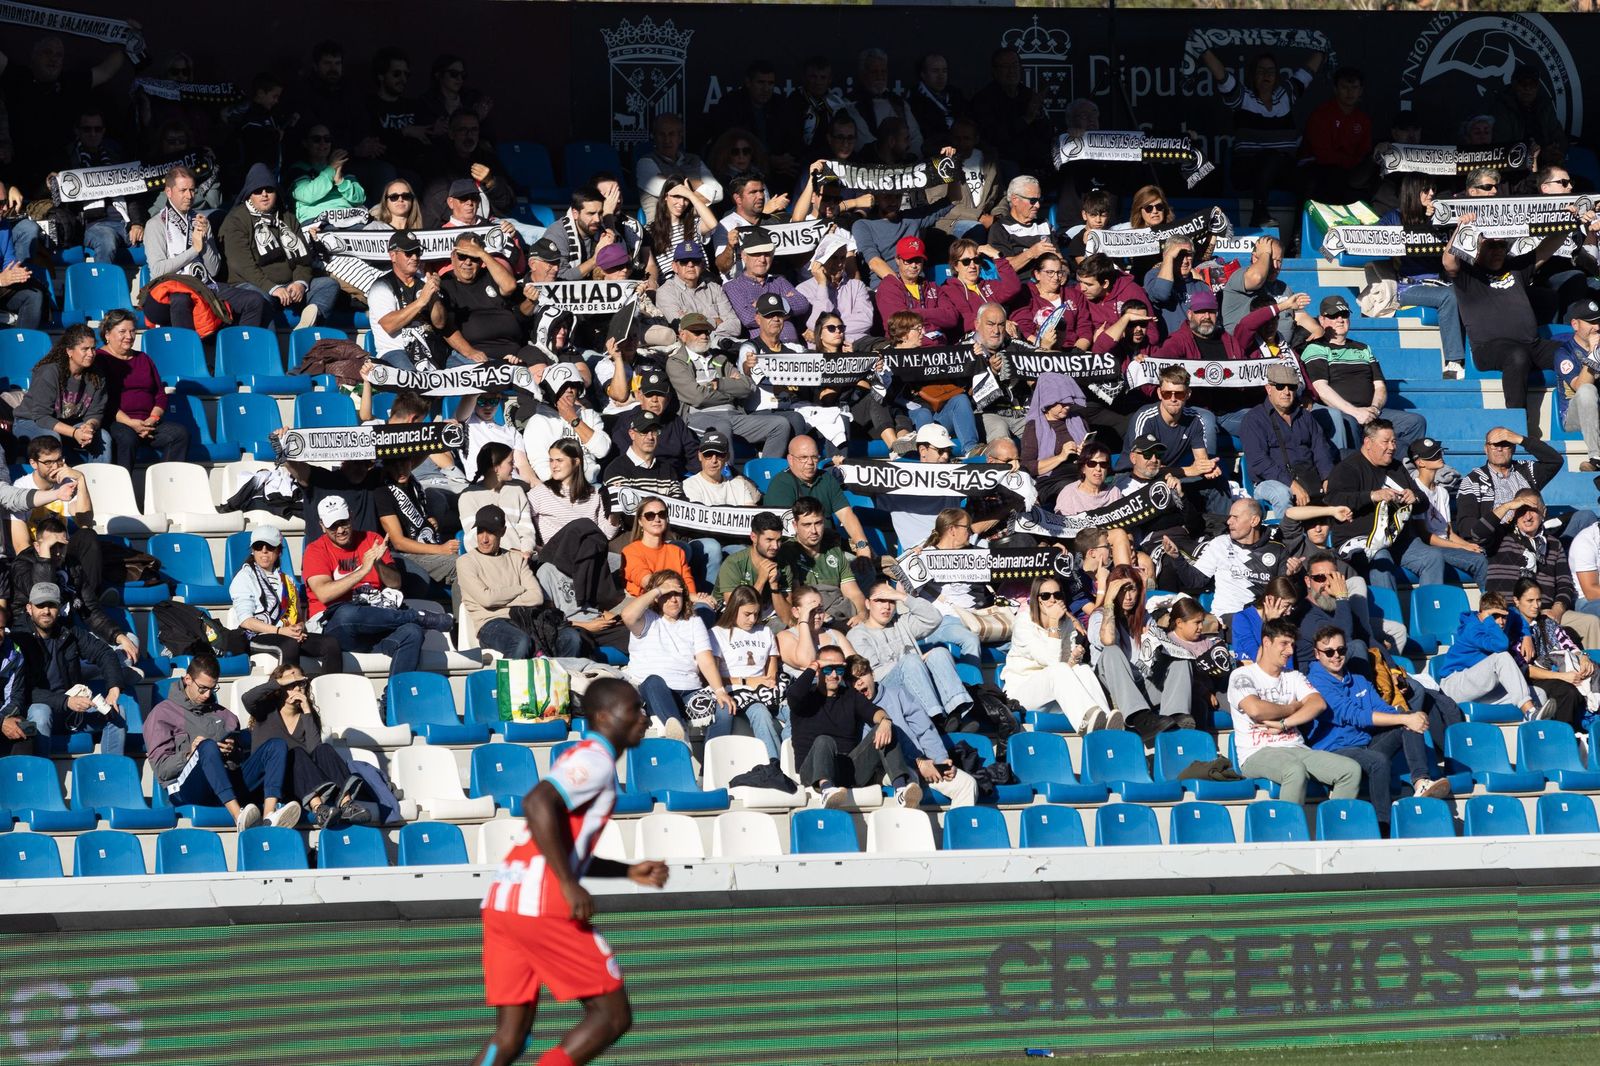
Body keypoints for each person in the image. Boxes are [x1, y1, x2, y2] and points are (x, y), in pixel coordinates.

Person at [475, 677, 667, 1066]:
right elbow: (537, 802)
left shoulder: (587, 757)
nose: (643, 718)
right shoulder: (594, 760)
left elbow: (560, 841)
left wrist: (626, 871)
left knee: (510, 1037)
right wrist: (567, 883)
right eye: (633, 709)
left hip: (504, 901)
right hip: (542, 902)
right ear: (602, 716)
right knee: (612, 1016)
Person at [1304, 624, 1450, 835]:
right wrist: (1405, 718)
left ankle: (1421, 782)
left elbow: (1384, 709)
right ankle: (1384, 827)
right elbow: (1354, 715)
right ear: (1317, 654)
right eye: (1329, 652)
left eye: (1341, 650)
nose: (1336, 656)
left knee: (1408, 720)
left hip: (1364, 743)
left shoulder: (1359, 680)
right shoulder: (1316, 682)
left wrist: (1409, 717)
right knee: (1379, 761)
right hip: (1334, 750)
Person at [144, 654, 302, 833]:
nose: (208, 695)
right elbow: (162, 770)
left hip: (225, 782)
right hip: (186, 789)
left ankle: (269, 816)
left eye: (213, 688)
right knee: (207, 747)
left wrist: (233, 751)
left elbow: (240, 759)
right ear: (188, 679)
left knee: (276, 745)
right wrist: (191, 753)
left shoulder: (226, 715)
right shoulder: (162, 713)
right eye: (202, 688)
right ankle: (238, 816)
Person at [1442, 224, 1569, 438]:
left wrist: (1568, 222)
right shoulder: (1468, 272)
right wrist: (1462, 227)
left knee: (1575, 351)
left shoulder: (1515, 267)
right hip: (1489, 349)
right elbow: (1449, 262)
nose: (1498, 250)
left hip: (1532, 344)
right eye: (1491, 245)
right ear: (1478, 248)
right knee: (1517, 355)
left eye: (1502, 245)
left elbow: (1548, 247)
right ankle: (1517, 423)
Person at [304, 496, 450, 678]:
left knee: (412, 632)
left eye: (344, 522)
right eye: (333, 526)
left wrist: (378, 563)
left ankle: (393, 698)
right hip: (337, 629)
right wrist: (363, 570)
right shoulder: (315, 550)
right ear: (322, 526)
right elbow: (324, 594)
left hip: (376, 625)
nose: (340, 530)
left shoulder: (371, 539)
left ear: (351, 516)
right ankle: (415, 616)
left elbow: (395, 583)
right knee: (347, 612)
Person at [1227, 619, 1362, 804]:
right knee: (1294, 770)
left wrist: (1284, 723)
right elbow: (1255, 709)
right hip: (1256, 752)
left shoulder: (1293, 676)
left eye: (1292, 644)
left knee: (1351, 770)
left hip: (1296, 748)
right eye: (1284, 643)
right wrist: (1292, 707)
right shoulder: (1242, 675)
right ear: (1267, 642)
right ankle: (1291, 831)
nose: (1290, 651)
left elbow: (1317, 704)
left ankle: (1335, 827)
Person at [1198, 47, 1323, 226]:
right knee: (1271, 157)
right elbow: (1222, 76)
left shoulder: (1285, 96)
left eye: (1271, 71)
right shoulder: (1243, 98)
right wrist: (1203, 49)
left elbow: (1307, 72)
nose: (1266, 75)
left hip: (1280, 170)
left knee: (1309, 179)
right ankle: (1259, 215)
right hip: (1248, 171)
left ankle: (1298, 238)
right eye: (1261, 70)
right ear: (1252, 75)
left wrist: (1322, 50)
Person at [143, 164, 272, 331]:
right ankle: (189, 353)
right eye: (183, 190)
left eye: (192, 190)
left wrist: (205, 244)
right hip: (170, 289)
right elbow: (159, 271)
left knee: (255, 301)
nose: (189, 196)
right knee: (181, 300)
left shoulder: (201, 220)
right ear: (169, 192)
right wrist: (194, 250)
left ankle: (238, 350)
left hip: (204, 285)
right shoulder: (156, 224)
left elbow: (212, 270)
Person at [790, 645, 920, 808]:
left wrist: (885, 722)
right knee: (824, 740)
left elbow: (875, 712)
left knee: (886, 728)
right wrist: (815, 665)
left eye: (838, 670)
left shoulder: (850, 696)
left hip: (849, 770)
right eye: (827, 669)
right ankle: (826, 790)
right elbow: (793, 694)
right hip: (813, 771)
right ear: (818, 670)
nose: (833, 675)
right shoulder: (804, 698)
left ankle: (901, 790)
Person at [13, 582, 128, 757]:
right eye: (40, 605)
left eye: (51, 605)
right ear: (29, 608)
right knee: (40, 713)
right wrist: (66, 701)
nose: (46, 611)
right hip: (34, 715)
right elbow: (23, 691)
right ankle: (42, 777)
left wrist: (113, 690)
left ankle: (111, 773)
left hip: (71, 712)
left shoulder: (69, 631)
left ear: (59, 608)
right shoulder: (19, 638)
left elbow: (104, 653)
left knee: (116, 714)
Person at [244, 662, 365, 828]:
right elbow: (247, 698)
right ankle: (318, 809)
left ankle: (346, 805)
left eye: (299, 683)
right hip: (270, 784)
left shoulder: (307, 717)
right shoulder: (265, 710)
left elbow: (315, 751)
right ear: (279, 687)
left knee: (324, 748)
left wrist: (307, 711)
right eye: (290, 684)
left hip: (298, 784)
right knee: (296, 753)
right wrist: (279, 681)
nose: (296, 689)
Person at [848, 654, 978, 807]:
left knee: (967, 784)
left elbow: (925, 729)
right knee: (911, 785)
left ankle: (957, 830)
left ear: (872, 674)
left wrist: (940, 760)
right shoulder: (850, 709)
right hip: (888, 770)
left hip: (923, 762)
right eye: (853, 680)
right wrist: (919, 766)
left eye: (863, 674)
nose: (860, 682)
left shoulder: (897, 693)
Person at [220, 163, 338, 330]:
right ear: (248, 195)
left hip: (289, 286)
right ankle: (271, 351)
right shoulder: (236, 220)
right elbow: (242, 265)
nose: (264, 195)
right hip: (253, 285)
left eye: (269, 190)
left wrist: (300, 282)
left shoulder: (287, 218)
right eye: (258, 191)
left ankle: (307, 328)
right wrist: (272, 288)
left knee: (328, 285)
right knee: (257, 300)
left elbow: (303, 259)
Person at [1303, 295, 1426, 454]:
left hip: (1371, 412)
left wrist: (1374, 409)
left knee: (1415, 422)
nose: (1340, 319)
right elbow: (1321, 388)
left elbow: (1380, 385)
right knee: (1348, 423)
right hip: (1343, 412)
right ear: (1322, 320)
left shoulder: (1363, 348)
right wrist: (1355, 412)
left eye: (1344, 315)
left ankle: (1393, 469)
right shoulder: (1316, 349)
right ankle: (1360, 472)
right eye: (1333, 316)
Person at [664, 312, 795, 458]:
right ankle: (728, 476)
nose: (704, 336)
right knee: (722, 427)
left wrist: (718, 384)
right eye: (697, 332)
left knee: (780, 424)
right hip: (699, 416)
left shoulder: (720, 358)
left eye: (706, 331)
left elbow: (747, 387)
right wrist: (731, 391)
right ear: (682, 335)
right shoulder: (676, 361)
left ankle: (767, 473)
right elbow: (697, 398)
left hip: (734, 415)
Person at [459, 504, 581, 661]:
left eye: (491, 532)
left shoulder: (516, 559)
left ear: (502, 531)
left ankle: (558, 681)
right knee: (521, 641)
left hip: (526, 620)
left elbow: (536, 597)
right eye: (480, 531)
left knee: (572, 638)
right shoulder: (466, 562)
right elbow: (486, 599)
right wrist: (518, 589)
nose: (484, 538)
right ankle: (511, 685)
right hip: (491, 623)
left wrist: (497, 597)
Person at [1088, 565, 1198, 737]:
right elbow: (1108, 640)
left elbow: (1157, 659)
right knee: (1111, 651)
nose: (1129, 596)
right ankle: (1139, 718)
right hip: (1113, 692)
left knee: (1179, 658)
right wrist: (1108, 600)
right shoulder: (1098, 616)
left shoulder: (1144, 617)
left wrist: (1155, 643)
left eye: (1133, 589)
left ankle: (1175, 716)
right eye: (1122, 590)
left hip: (1141, 685)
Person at [622, 570, 729, 741]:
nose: (673, 599)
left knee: (724, 707)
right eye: (667, 594)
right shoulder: (646, 619)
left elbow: (705, 660)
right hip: (655, 693)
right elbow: (627, 615)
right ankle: (681, 739)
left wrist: (720, 690)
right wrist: (658, 590)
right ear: (656, 597)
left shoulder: (694, 621)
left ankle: (710, 762)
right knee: (653, 681)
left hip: (688, 690)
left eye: (677, 594)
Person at [848, 583, 973, 726]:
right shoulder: (858, 634)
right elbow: (874, 673)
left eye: (891, 601)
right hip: (886, 688)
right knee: (911, 661)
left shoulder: (901, 622)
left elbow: (934, 619)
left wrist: (904, 597)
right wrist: (914, 660)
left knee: (939, 653)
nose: (886, 606)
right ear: (868, 604)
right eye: (880, 600)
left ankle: (956, 712)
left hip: (917, 679)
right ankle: (934, 719)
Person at [229, 525, 342, 676]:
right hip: (256, 635)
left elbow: (299, 618)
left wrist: (298, 628)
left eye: (269, 546)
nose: (264, 551)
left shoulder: (287, 580)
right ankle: (288, 696)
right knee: (289, 645)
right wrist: (281, 631)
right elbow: (246, 621)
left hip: (285, 632)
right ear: (252, 550)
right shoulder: (244, 577)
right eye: (258, 546)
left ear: (279, 551)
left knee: (331, 644)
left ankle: (332, 693)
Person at [1323, 420, 1423, 588]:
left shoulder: (1396, 467)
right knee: (1380, 556)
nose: (1392, 447)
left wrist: (1415, 497)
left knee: (1431, 558)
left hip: (1395, 539)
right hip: (1356, 540)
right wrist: (1371, 496)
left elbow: (1422, 500)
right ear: (1368, 442)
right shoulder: (1348, 468)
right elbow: (1333, 500)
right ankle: (1389, 613)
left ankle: (1431, 609)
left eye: (1394, 441)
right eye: (1386, 442)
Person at [1001, 574, 1109, 727]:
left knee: (1083, 669)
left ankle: (1105, 719)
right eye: (1046, 596)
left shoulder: (1066, 624)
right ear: (1037, 599)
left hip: (1056, 696)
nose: (1052, 600)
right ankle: (1088, 722)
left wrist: (1073, 659)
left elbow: (1065, 666)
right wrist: (1053, 622)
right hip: (1022, 693)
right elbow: (1052, 663)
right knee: (1057, 671)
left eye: (1057, 595)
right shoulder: (1023, 622)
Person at [1434, 593, 1555, 722]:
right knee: (1502, 657)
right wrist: (1488, 620)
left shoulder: (1500, 621)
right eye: (1495, 617)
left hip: (1480, 689)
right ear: (1483, 615)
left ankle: (1533, 734)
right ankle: (1529, 711)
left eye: (1503, 617)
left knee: (1539, 694)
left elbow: (1516, 615)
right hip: (1455, 686)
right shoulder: (1472, 628)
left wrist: (1527, 635)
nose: (1501, 622)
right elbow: (1501, 645)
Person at [1239, 363, 1337, 520]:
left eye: (1291, 387)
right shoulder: (1254, 419)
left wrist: (1327, 478)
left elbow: (1321, 450)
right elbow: (1259, 462)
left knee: (1338, 486)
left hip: (1306, 475)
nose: (1286, 392)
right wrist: (1292, 484)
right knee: (1282, 494)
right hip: (1269, 481)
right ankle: (1287, 540)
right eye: (1280, 386)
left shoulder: (1306, 417)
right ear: (1268, 388)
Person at [94, 308, 190, 466]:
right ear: (107, 334)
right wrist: (131, 423)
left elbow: (159, 395)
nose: (128, 336)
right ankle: (122, 489)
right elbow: (104, 401)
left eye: (132, 331)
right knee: (127, 438)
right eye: (122, 331)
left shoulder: (144, 358)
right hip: (117, 422)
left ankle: (167, 485)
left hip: (147, 422)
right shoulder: (100, 359)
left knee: (180, 434)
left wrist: (152, 420)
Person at [761, 437, 875, 565]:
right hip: (799, 554)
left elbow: (846, 515)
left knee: (867, 565)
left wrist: (862, 545)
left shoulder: (826, 478)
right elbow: (785, 534)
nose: (810, 462)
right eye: (803, 457)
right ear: (790, 460)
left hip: (830, 547)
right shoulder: (781, 484)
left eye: (814, 457)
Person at [705, 585, 784, 758]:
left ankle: (793, 759)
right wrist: (747, 681)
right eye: (747, 614)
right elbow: (712, 677)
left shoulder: (765, 631)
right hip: (736, 691)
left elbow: (771, 672)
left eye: (756, 614)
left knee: (798, 708)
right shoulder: (717, 633)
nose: (752, 619)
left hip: (765, 690)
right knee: (760, 712)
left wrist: (767, 681)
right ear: (734, 609)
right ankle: (774, 764)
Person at [1400, 437, 1488, 589]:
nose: (1439, 456)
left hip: (1445, 544)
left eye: (1438, 452)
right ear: (1420, 462)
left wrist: (1468, 545)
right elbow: (1426, 536)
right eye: (1432, 455)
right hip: (1431, 548)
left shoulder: (1442, 492)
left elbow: (1448, 532)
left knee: (1481, 552)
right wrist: (1462, 547)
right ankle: (1491, 607)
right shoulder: (1415, 492)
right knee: (1479, 561)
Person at [1453, 427, 1563, 545]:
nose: (1499, 449)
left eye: (1505, 444)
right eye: (1494, 445)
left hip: (1532, 533)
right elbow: (1466, 526)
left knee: (1581, 518)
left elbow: (1555, 461)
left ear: (1514, 448)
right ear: (1486, 449)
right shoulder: (1473, 480)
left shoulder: (1527, 470)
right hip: (1498, 542)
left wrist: (1521, 439)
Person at [13, 325, 107, 461]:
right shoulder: (50, 372)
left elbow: (96, 412)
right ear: (69, 351)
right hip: (30, 421)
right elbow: (41, 416)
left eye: (93, 348)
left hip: (67, 424)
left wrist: (89, 426)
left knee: (103, 437)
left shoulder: (96, 376)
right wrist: (74, 432)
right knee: (52, 438)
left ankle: (99, 480)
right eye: (85, 349)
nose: (91, 354)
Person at [1508, 577, 1591, 729]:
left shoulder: (1547, 622)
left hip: (1555, 672)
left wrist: (1583, 657)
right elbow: (1524, 669)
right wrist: (1563, 677)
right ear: (1517, 601)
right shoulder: (1511, 628)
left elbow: (1568, 643)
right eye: (1530, 600)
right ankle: (1564, 738)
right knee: (1567, 691)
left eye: (1538, 600)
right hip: (1529, 679)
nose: (1536, 606)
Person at [376, 456, 459, 608]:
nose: (400, 470)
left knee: (472, 563)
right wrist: (440, 549)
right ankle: (462, 625)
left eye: (404, 463)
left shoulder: (412, 483)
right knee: (461, 566)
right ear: (386, 466)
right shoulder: (382, 492)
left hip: (426, 546)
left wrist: (429, 521)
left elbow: (417, 521)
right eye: (394, 465)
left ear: (411, 462)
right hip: (405, 556)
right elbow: (398, 542)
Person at [780, 496, 869, 627]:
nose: (814, 531)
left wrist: (862, 614)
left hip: (838, 614)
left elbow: (854, 593)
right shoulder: (787, 552)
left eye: (818, 523)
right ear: (795, 525)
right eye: (806, 525)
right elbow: (793, 598)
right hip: (808, 616)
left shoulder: (834, 552)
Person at [368, 230, 449, 370]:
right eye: (408, 253)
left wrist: (434, 295)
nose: (415, 257)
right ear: (393, 255)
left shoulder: (425, 280)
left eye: (417, 252)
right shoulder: (381, 286)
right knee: (413, 383)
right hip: (396, 351)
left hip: (430, 348)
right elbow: (390, 325)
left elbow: (440, 323)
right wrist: (421, 301)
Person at [622, 495, 718, 607]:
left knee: (705, 606)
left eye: (662, 514)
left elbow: (688, 582)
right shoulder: (630, 551)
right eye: (650, 515)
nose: (657, 519)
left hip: (677, 602)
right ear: (640, 521)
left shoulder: (677, 551)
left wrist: (696, 597)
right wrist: (687, 595)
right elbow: (648, 581)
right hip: (648, 607)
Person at [722, 230, 811, 339]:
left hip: (793, 347)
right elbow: (749, 318)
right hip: (761, 351)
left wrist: (762, 304)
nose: (762, 259)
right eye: (756, 254)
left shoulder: (779, 280)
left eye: (767, 254)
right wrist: (784, 305)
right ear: (744, 256)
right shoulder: (733, 287)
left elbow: (802, 304)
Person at [458, 442, 536, 554]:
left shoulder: (516, 491)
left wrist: (526, 551)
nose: (513, 467)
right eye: (510, 463)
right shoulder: (468, 496)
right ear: (496, 468)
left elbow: (526, 530)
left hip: (520, 558)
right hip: (486, 560)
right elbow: (473, 536)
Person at [1556, 297, 1600, 471]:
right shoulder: (1563, 352)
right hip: (1573, 416)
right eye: (1591, 322)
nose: (1597, 327)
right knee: (1587, 390)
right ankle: (1597, 457)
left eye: (1598, 321)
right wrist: (1592, 356)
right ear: (1575, 324)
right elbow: (1580, 388)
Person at [1231, 577, 1300, 666]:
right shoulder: (1242, 619)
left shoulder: (1285, 623)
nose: (1289, 612)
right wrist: (1271, 623)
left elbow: (1288, 666)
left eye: (1292, 607)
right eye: (1286, 606)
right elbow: (1259, 658)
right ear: (1270, 599)